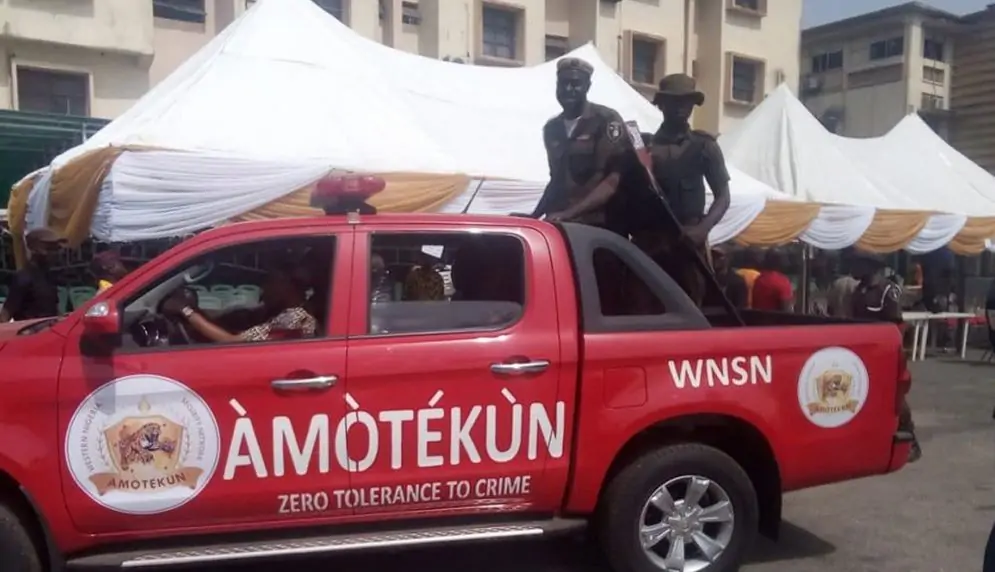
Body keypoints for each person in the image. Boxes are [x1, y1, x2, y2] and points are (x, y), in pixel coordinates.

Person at [630, 74, 731, 306]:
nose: (681, 107)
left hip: (687, 242)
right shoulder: (644, 147)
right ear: (661, 104)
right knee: (643, 308)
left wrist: (703, 229)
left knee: (691, 307)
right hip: (650, 243)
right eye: (674, 101)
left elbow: (723, 197)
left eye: (687, 102)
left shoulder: (704, 146)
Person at [530, 57, 629, 228]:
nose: (568, 89)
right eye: (563, 83)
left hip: (597, 224)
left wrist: (569, 214)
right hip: (562, 222)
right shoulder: (552, 128)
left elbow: (612, 181)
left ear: (587, 86)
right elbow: (556, 180)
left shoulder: (606, 120)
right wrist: (534, 215)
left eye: (575, 84)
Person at [850, 251, 921, 462]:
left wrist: (898, 352)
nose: (854, 268)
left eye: (859, 264)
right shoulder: (859, 290)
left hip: (885, 351)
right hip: (863, 351)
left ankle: (910, 439)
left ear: (871, 267)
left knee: (894, 396)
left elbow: (897, 324)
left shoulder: (888, 290)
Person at [163, 262, 317, 343]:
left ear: (286, 286)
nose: (264, 287)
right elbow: (228, 329)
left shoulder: (294, 318)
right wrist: (195, 312)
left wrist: (186, 311)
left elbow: (230, 341)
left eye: (271, 281)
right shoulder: (280, 312)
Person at [0, 228, 65, 322]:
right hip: (31, 329)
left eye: (57, 249)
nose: (56, 254)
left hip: (51, 328)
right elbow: (5, 314)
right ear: (35, 250)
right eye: (50, 249)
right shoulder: (24, 278)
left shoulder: (48, 276)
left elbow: (54, 310)